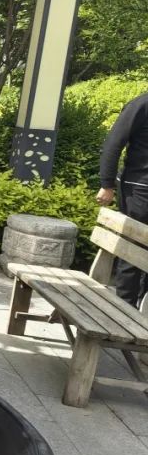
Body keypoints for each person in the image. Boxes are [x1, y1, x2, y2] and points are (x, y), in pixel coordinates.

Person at [98, 92, 148, 309]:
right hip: (139, 188)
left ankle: (143, 310)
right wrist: (106, 184)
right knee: (132, 250)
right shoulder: (142, 104)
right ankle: (125, 309)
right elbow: (114, 143)